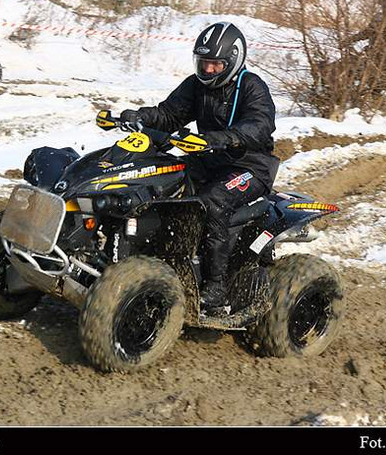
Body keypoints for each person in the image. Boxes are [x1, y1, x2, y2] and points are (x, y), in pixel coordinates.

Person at [118, 22, 280, 310]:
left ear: (232, 61)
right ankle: (157, 259)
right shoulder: (196, 85)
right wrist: (139, 116)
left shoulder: (253, 87)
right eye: (203, 64)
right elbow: (169, 114)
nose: (208, 71)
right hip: (209, 160)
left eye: (215, 65)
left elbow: (259, 126)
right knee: (162, 179)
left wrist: (216, 139)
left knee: (212, 201)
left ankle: (215, 286)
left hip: (249, 166)